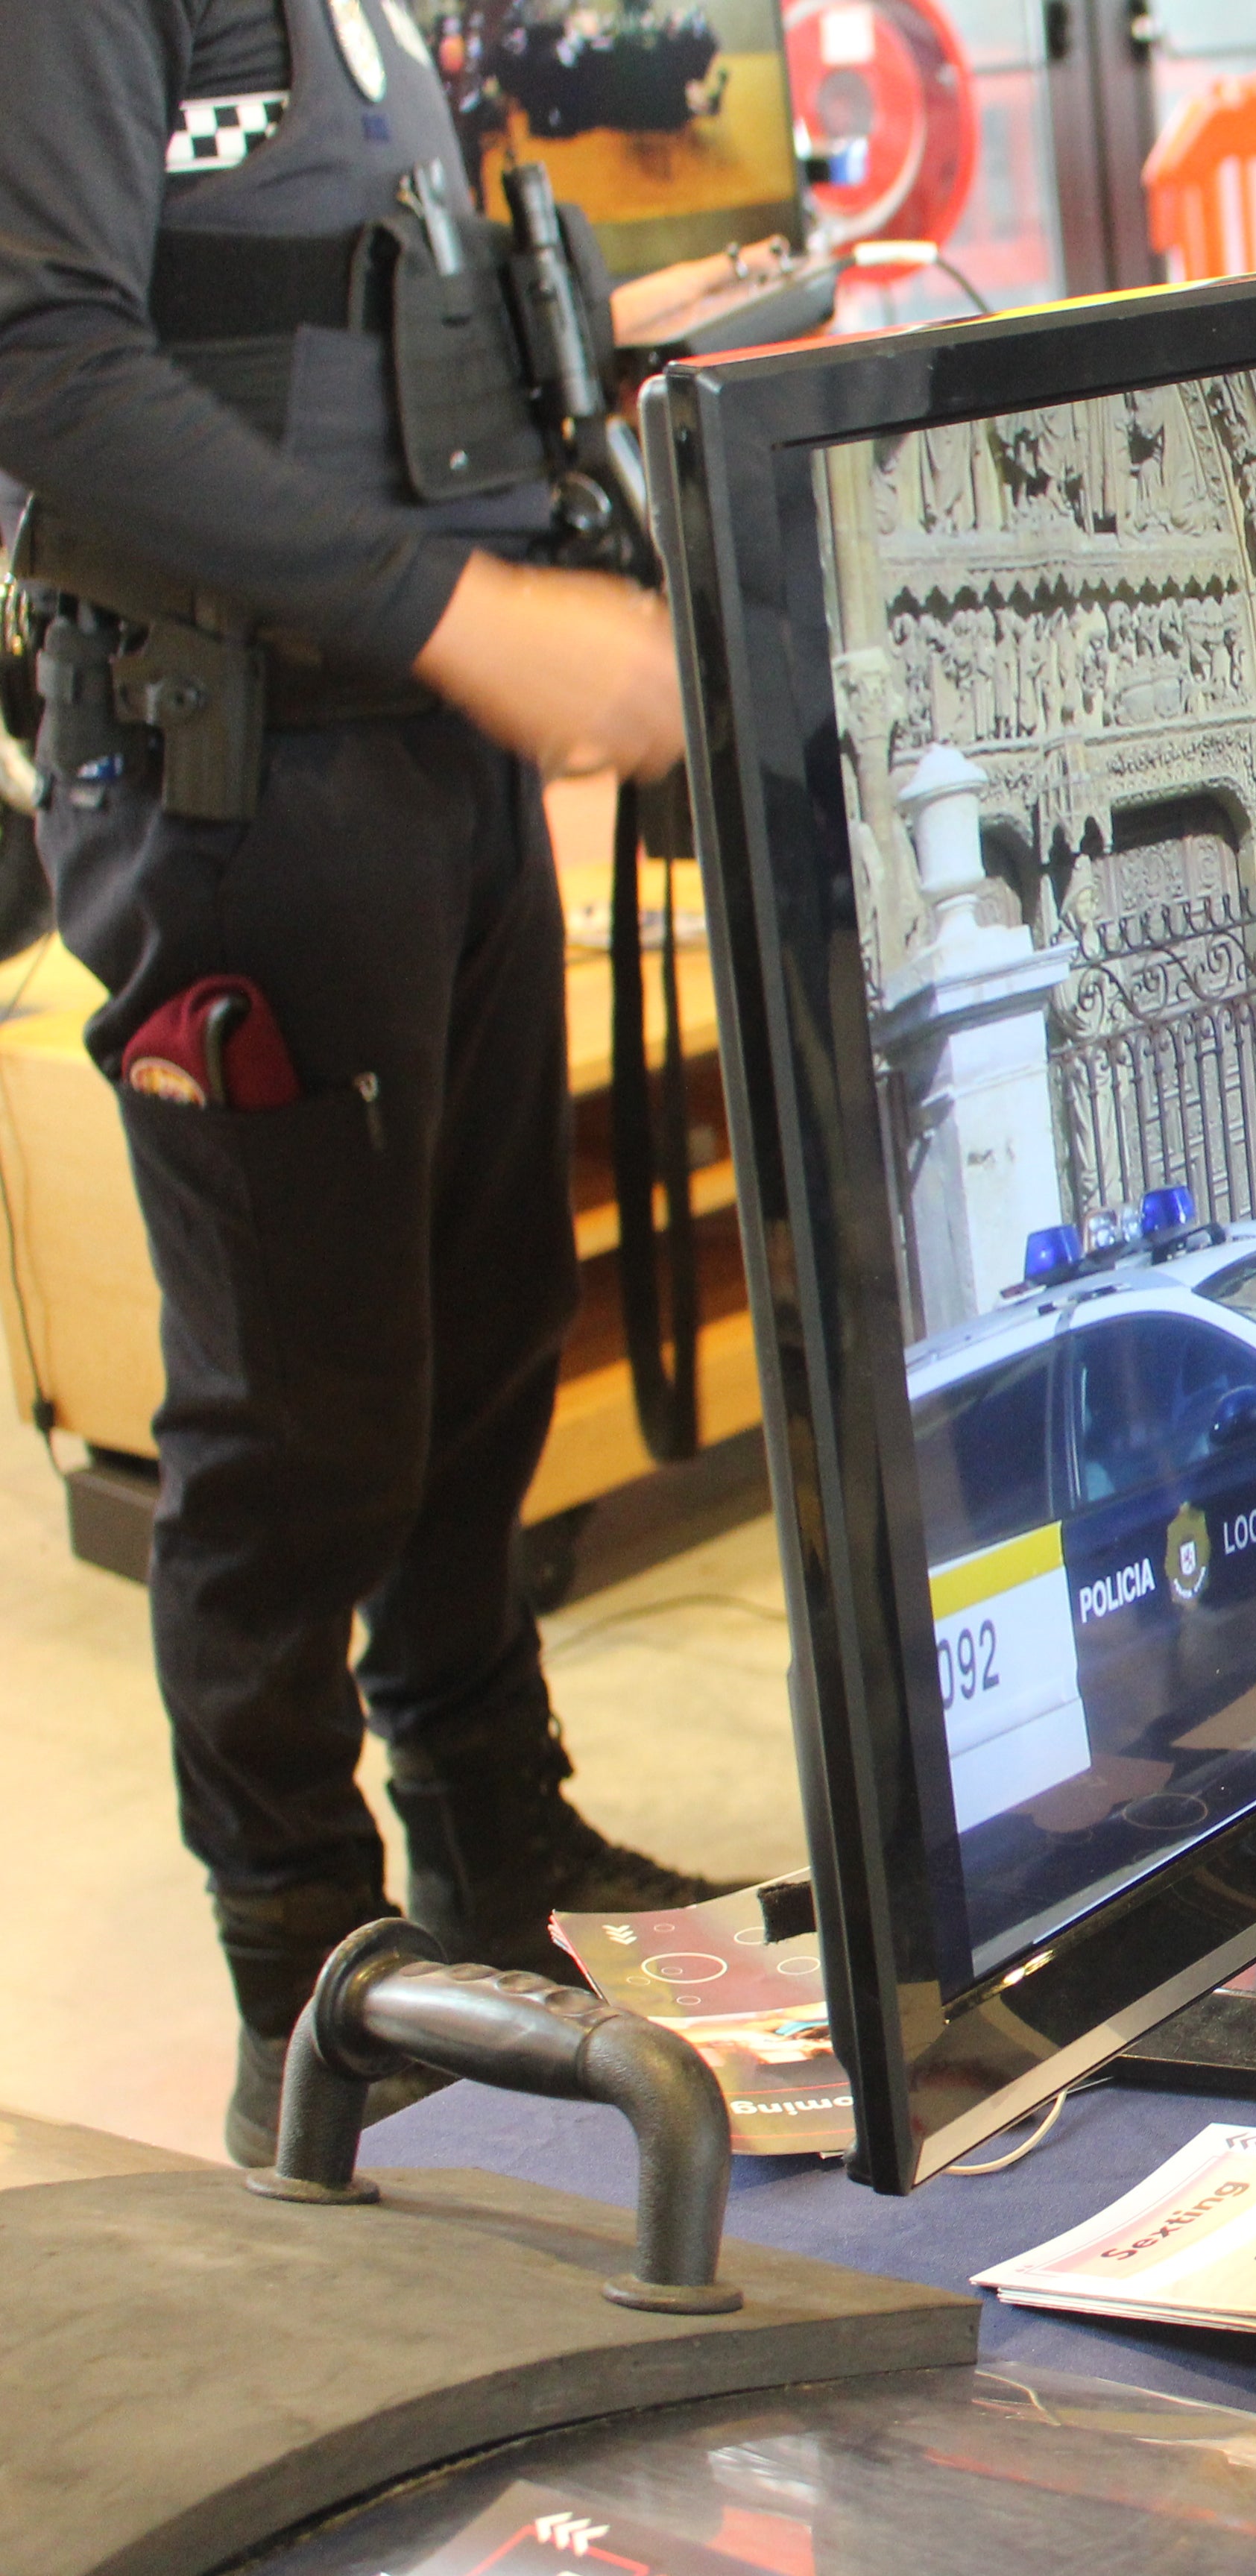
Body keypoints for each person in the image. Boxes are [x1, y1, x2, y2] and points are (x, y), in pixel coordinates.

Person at [1, 0, 720, 2165]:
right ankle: (304, 1959)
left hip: (427, 757)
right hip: (246, 760)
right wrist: (456, 608)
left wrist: (563, 358)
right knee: (298, 1405)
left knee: (481, 1336)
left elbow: (314, 288)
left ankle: (492, 1843)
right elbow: (40, 353)